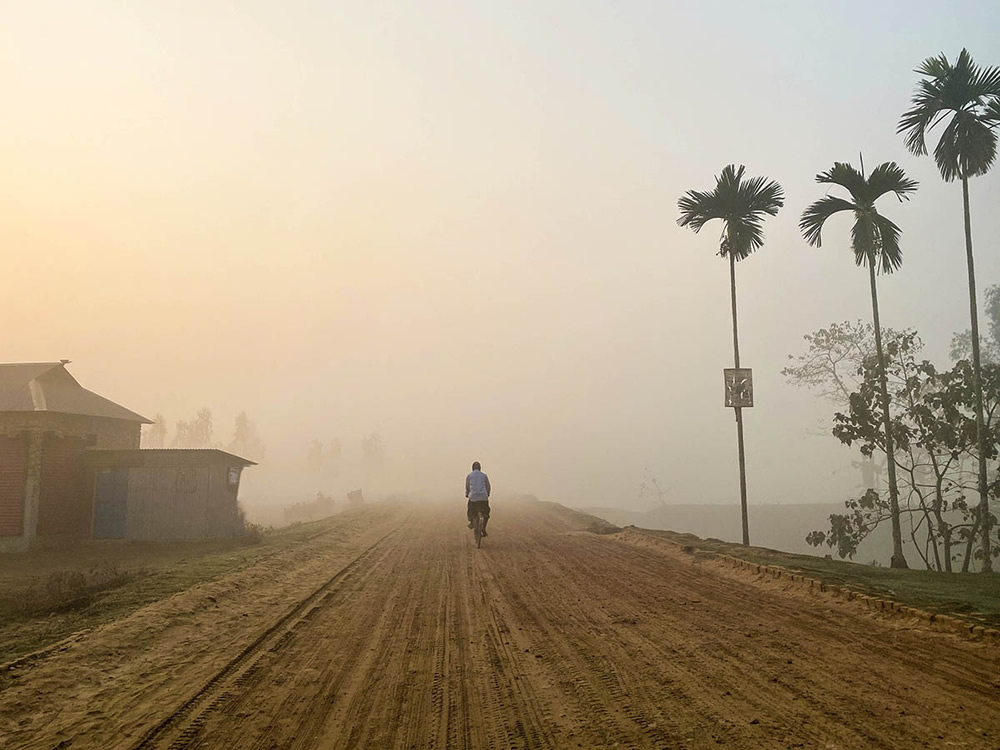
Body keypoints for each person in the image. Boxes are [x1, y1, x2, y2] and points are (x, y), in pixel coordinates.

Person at [466, 461, 491, 536]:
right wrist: (487, 494)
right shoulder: (484, 475)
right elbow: (488, 486)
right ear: (480, 468)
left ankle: (471, 522)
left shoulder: (469, 476)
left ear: (472, 468)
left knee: (470, 509)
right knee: (486, 513)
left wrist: (467, 494)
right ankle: (483, 528)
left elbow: (467, 487)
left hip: (473, 498)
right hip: (483, 497)